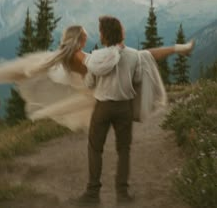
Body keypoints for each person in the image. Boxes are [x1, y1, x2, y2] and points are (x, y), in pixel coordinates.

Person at [71, 16, 194, 206]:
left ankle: (92, 194)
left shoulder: (97, 57)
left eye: (101, 31)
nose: (100, 34)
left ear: (105, 34)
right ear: (119, 32)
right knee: (124, 150)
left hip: (103, 107)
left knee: (95, 149)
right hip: (124, 108)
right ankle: (122, 195)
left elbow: (90, 83)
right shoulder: (134, 55)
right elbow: (137, 79)